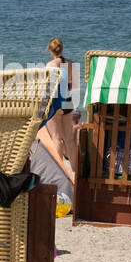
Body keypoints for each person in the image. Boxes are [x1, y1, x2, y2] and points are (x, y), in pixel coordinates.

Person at [44, 37, 80, 172]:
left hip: (55, 103)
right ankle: (76, 171)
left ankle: (58, 170)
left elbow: (48, 89)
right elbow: (74, 86)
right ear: (62, 48)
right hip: (68, 102)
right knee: (69, 139)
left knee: (56, 138)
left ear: (50, 49)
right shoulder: (71, 63)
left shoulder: (50, 65)